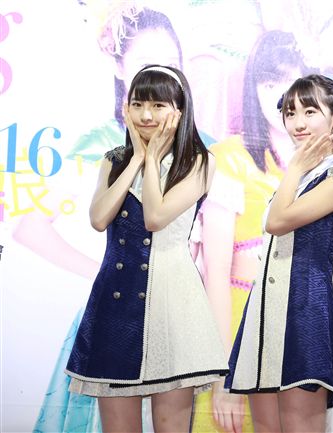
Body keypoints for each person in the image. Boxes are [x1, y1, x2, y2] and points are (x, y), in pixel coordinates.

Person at [64, 65, 228, 432]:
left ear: (179, 111)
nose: (147, 115)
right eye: (138, 104)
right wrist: (136, 158)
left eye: (158, 105)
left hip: (172, 303)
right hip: (115, 303)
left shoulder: (198, 162)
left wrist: (152, 159)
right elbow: (99, 218)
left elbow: (155, 217)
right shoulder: (113, 159)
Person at [225, 74, 333, 433]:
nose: (298, 123)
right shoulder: (297, 177)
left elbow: (278, 221)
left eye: (310, 111)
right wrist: (297, 171)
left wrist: (296, 167)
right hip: (265, 310)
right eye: (290, 113)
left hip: (308, 312)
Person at [191, 30, 307, 433]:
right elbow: (216, 275)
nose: (280, 98)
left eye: (290, 83)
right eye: (269, 83)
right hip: (242, 325)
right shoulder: (229, 159)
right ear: (252, 88)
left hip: (302, 332)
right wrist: (224, 375)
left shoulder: (328, 165)